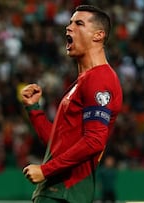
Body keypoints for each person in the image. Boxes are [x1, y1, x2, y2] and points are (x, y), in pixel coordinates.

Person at [20, 5, 123, 203]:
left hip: (66, 192)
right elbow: (58, 144)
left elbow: (95, 140)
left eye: (79, 23)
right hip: (57, 191)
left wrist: (45, 170)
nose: (69, 27)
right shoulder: (82, 82)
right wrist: (34, 109)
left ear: (98, 35)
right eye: (69, 22)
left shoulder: (100, 78)